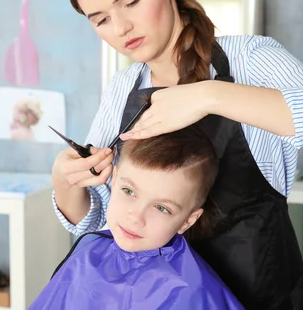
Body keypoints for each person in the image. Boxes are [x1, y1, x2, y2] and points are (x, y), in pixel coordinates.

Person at [51, 0, 303, 309]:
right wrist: (66, 180)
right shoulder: (123, 87)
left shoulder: (251, 58)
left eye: (131, 1)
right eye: (100, 20)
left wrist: (209, 95)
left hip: (261, 297)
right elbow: (99, 217)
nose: (120, 29)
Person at [31, 123, 244, 310]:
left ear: (188, 221)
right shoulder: (88, 256)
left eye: (161, 208)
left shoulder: (193, 291)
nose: (136, 217)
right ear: (113, 182)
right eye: (129, 191)